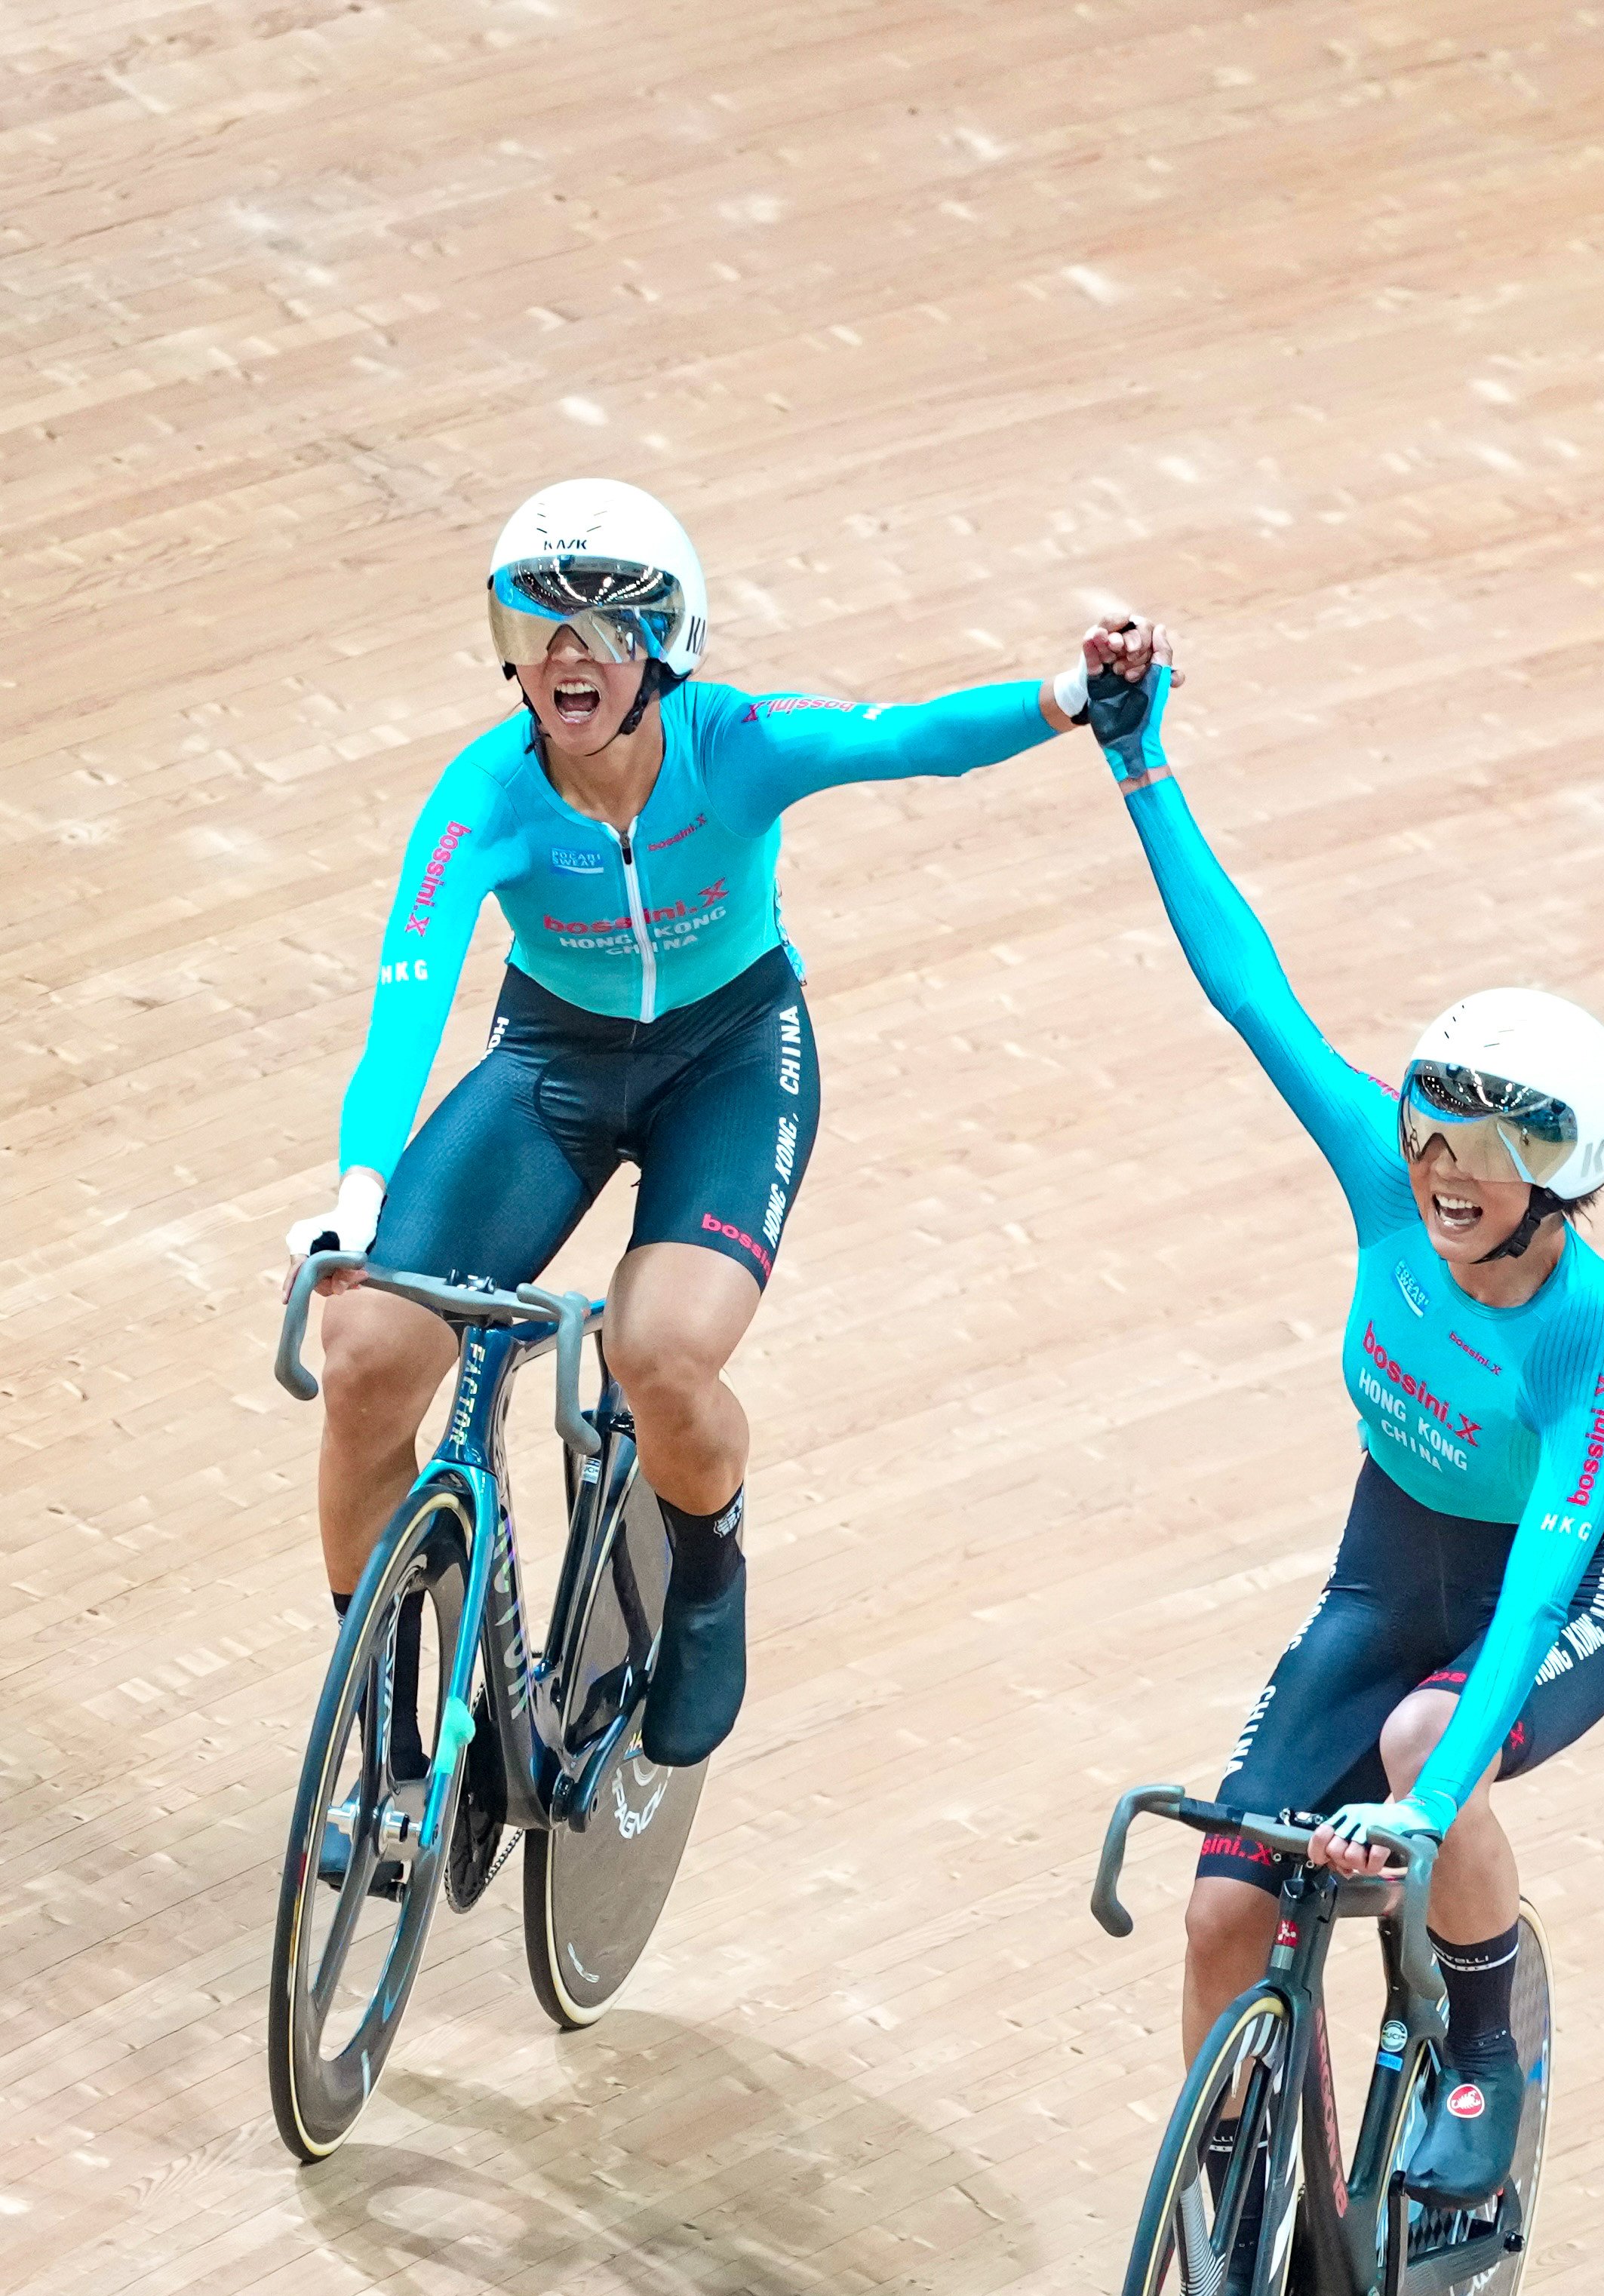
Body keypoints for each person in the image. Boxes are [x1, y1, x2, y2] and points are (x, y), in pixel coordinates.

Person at [287, 477, 1172, 1805]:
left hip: (733, 1059)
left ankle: (707, 1572)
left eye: (606, 628)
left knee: (658, 1350)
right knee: (361, 1352)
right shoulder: (481, 795)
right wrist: (358, 1197)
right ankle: (394, 1716)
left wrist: (1067, 695)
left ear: (668, 647)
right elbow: (407, 1000)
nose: (568, 658)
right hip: (553, 1065)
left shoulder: (733, 741)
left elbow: (905, 737)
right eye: (539, 626)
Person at [1088, 643, 1604, 2211]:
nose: (1443, 1167)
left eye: (1487, 1150)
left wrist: (1421, 1797)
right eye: (1428, 1129)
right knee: (1218, 1911)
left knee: (1416, 1742)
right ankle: (1234, 2237)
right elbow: (1245, 986)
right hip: (1381, 1576)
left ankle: (1480, 2045)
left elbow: (1541, 1581)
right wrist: (1139, 765)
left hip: (1537, 1600)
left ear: (1566, 1180)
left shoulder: (1591, 1331)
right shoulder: (1380, 1179)